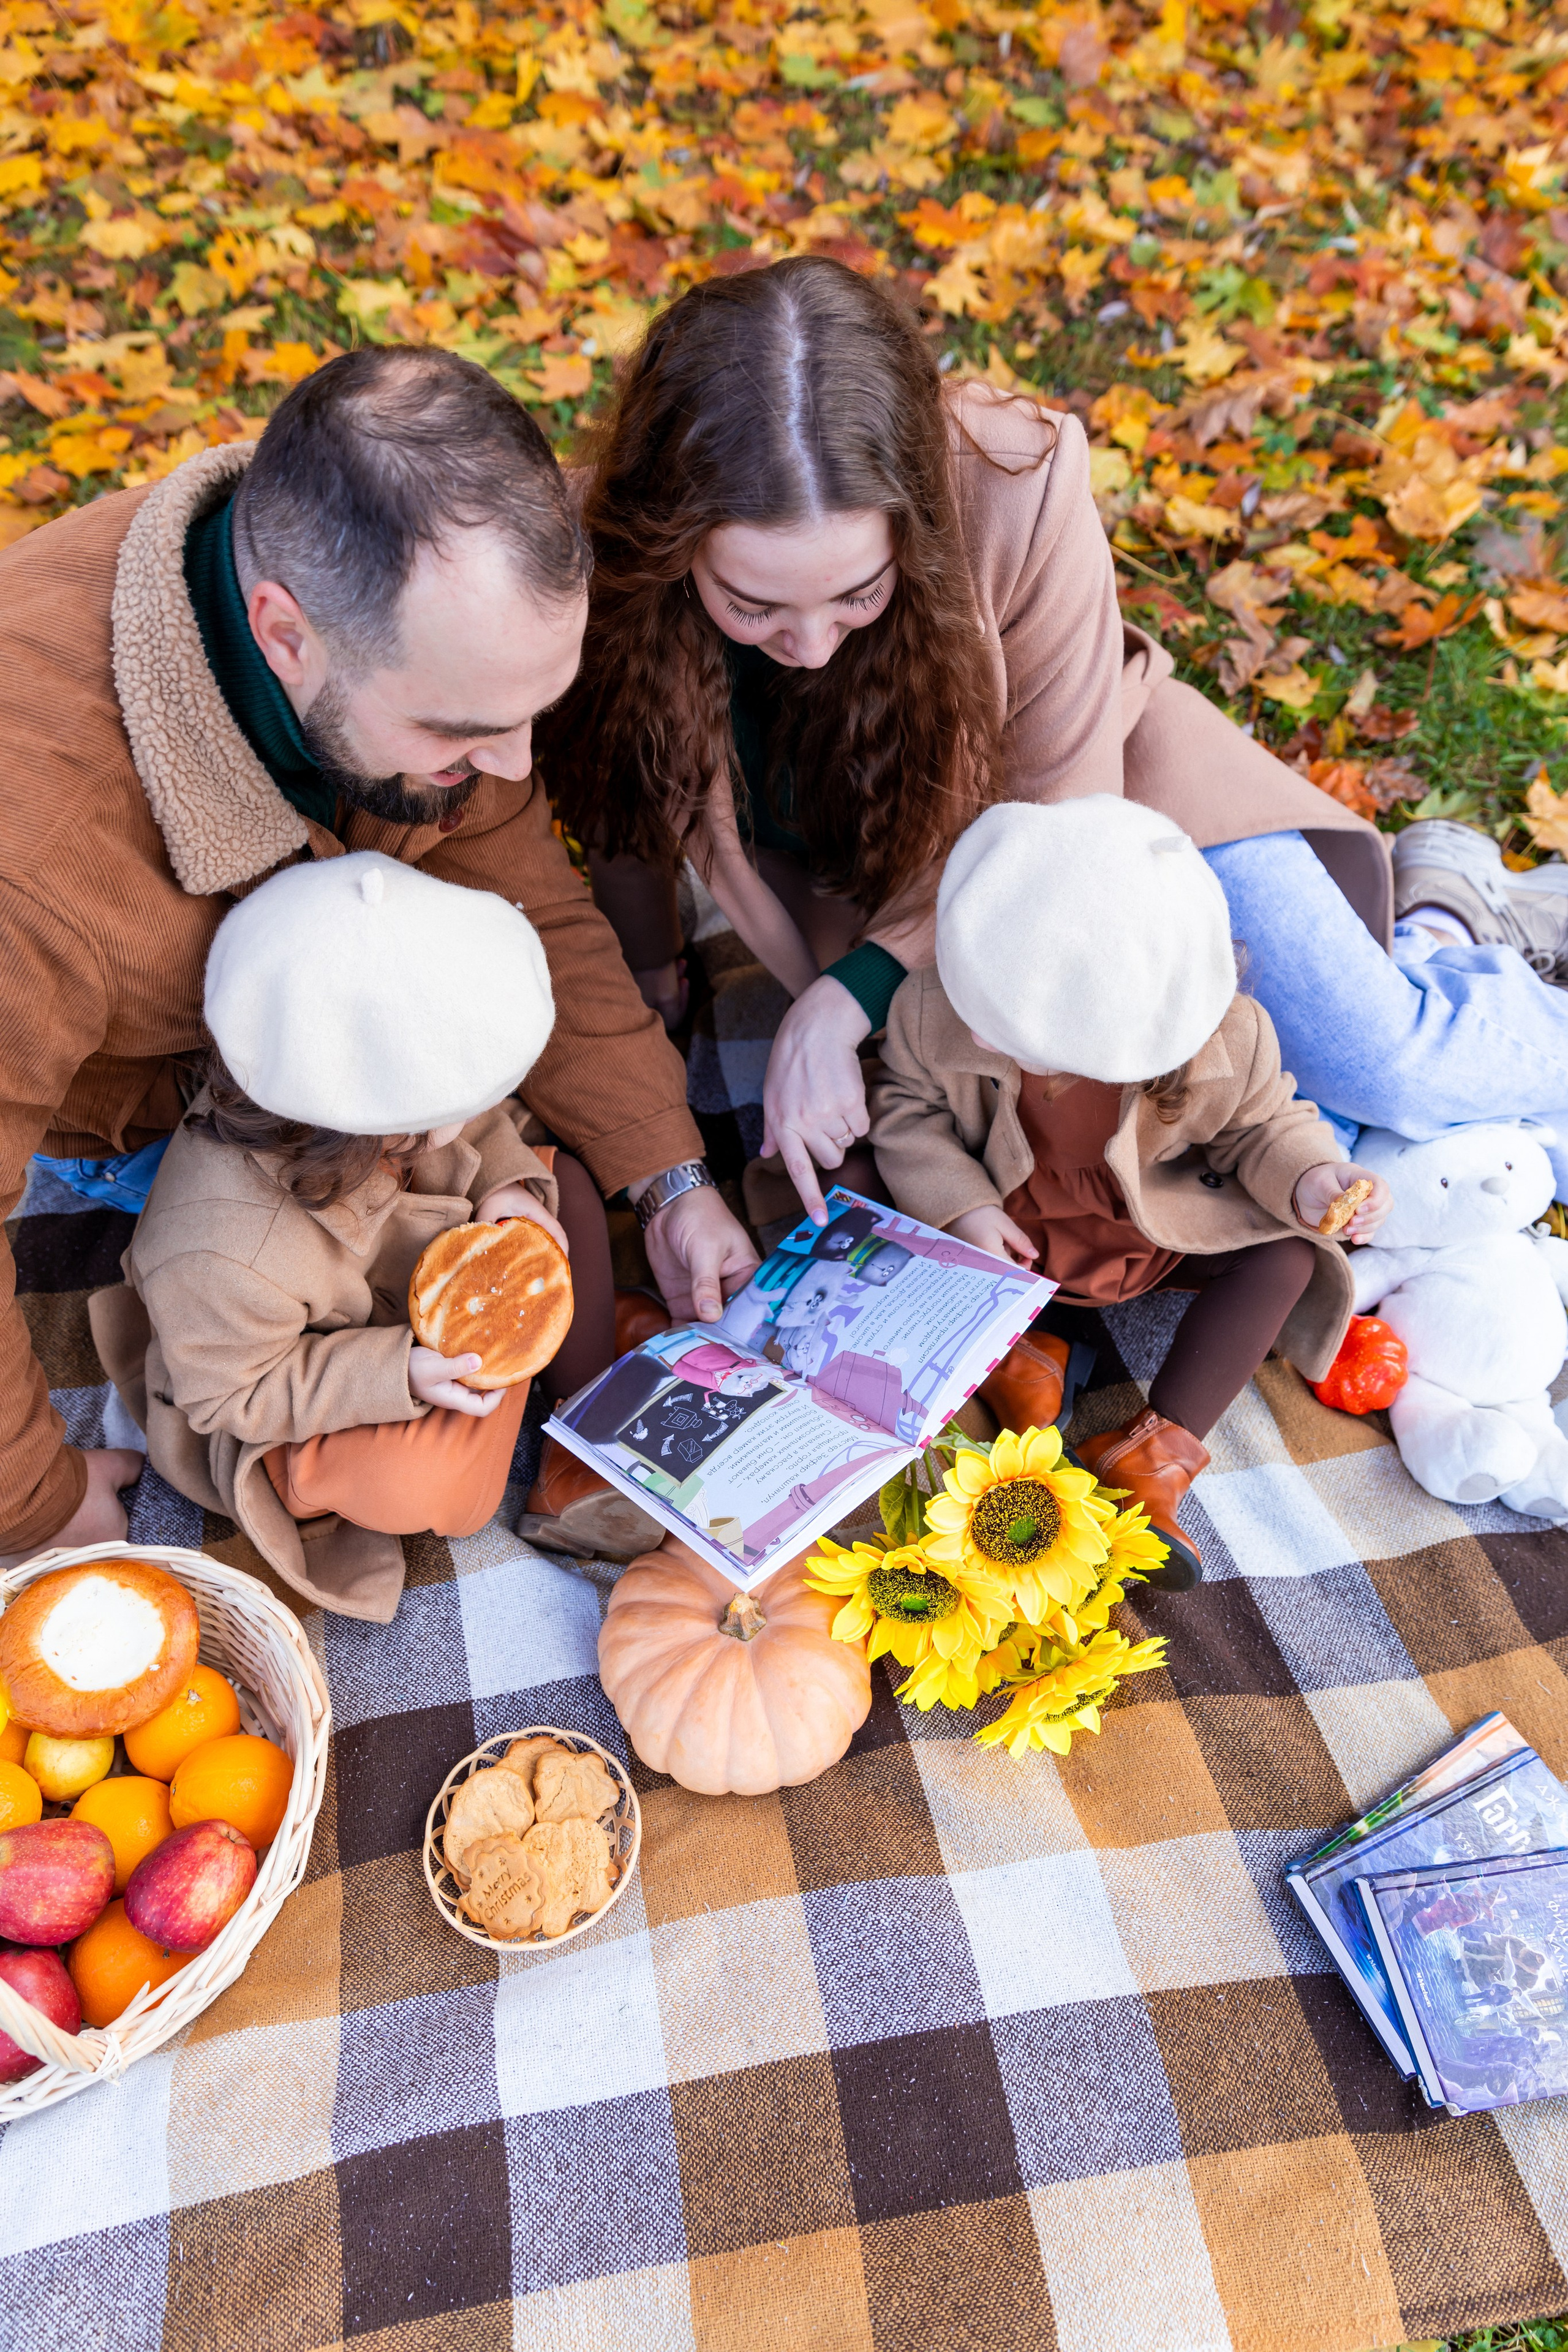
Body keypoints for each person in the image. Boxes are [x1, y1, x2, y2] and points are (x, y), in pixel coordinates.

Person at [543, 253, 1568, 1227]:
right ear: (673, 546)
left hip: (1119, 831)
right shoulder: (601, 559)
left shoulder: (1016, 484)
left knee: (1385, 1072)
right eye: (754, 604)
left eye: (859, 593)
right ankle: (1445, 913)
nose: (809, 649)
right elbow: (622, 790)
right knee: (1238, 1161)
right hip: (890, 907)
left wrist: (847, 1001)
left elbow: (1063, 820)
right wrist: (649, 981)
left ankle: (1451, 942)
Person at [0, 344, 757, 1573]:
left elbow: (534, 911)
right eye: (464, 729)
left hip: (343, 1030)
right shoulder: (29, 862)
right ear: (281, 634)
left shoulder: (411, 626)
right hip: (158, 1131)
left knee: (532, 1189)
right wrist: (34, 1505)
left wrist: (665, 1178)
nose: (516, 769)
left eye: (531, 716)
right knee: (346, 1381)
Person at [102, 851, 639, 1619]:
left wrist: (509, 1190)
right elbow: (236, 1393)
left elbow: (480, 1124)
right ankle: (558, 1359)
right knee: (430, 1490)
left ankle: (582, 1423)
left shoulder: (366, 1091)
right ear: (382, 1126)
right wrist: (403, 1373)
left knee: (569, 1193)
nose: (484, 1106)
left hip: (418, 1278)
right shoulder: (219, 1254)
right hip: (306, 1379)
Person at [870, 797, 1393, 1586]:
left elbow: (1263, 1128)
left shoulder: (1222, 1036)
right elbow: (905, 1116)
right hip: (1011, 1230)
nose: (977, 1035)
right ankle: (1026, 1352)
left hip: (1145, 1227)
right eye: (974, 1004)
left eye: (1003, 1029)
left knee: (1285, 1257)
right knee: (872, 1199)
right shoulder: (927, 1010)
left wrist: (1313, 1175)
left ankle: (1155, 1453)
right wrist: (964, 1207)